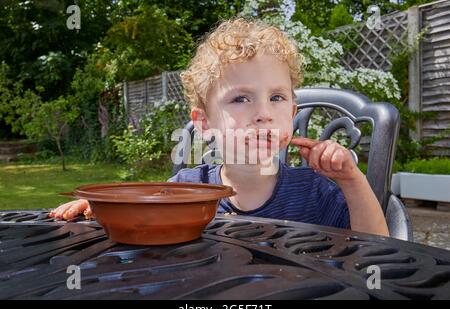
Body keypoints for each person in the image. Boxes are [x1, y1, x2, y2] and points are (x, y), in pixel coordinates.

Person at [49, 17, 389, 236]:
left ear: (292, 111)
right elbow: (147, 221)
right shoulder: (187, 188)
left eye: (277, 98)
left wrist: (351, 181)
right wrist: (108, 210)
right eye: (241, 99)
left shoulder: (315, 192)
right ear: (205, 122)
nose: (263, 113)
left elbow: (378, 248)